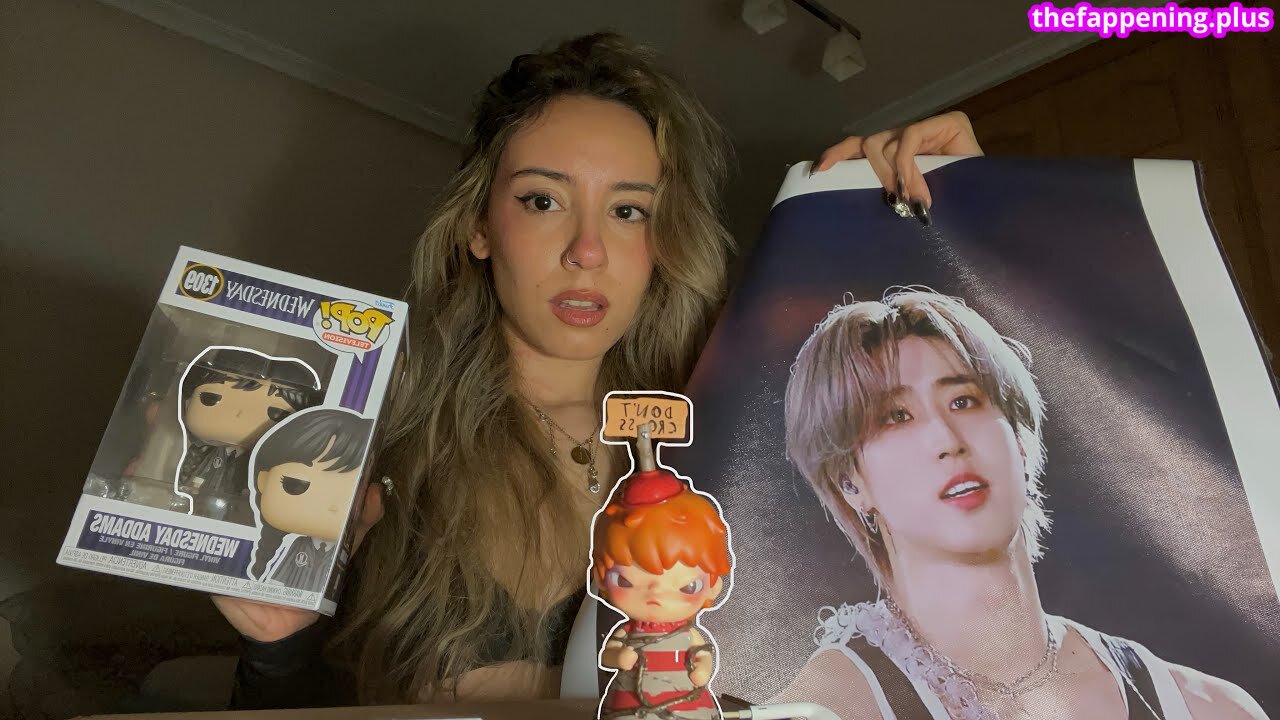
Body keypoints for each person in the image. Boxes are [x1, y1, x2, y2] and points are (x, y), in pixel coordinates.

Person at [214, 32, 984, 709]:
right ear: (480, 226)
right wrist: (277, 650)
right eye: (542, 201)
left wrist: (972, 219)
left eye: (627, 211)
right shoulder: (374, 442)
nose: (587, 251)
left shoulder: (739, 432)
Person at [775, 288, 1269, 720]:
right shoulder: (829, 707)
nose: (946, 439)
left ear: (1021, 440)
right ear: (850, 484)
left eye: (964, 401)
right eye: (896, 416)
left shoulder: (1204, 707)